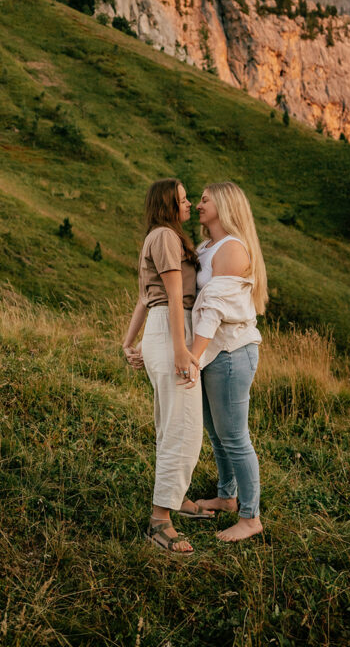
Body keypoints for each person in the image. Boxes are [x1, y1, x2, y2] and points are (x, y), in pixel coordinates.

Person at [122, 178, 212, 556]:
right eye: (183, 199)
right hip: (173, 329)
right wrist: (181, 349)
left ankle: (177, 498)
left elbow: (144, 297)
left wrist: (129, 341)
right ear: (168, 204)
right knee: (185, 430)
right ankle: (160, 520)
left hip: (162, 328)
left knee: (171, 423)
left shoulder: (160, 237)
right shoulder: (165, 237)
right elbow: (173, 296)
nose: (189, 204)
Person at [186, 181, 268, 542]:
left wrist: (192, 354)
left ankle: (251, 518)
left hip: (230, 353)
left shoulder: (232, 250)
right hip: (210, 353)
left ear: (225, 205)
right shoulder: (207, 247)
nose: (198, 205)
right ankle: (226, 496)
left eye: (205, 200)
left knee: (235, 436)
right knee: (217, 433)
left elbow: (214, 308)